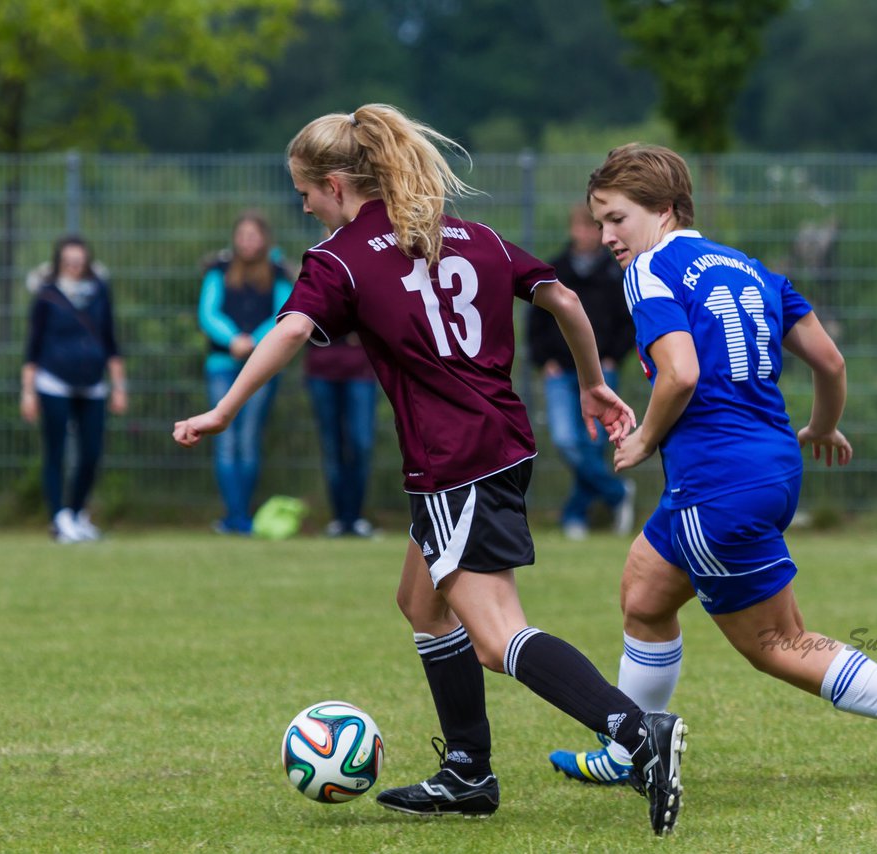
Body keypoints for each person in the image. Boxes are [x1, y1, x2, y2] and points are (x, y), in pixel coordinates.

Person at [172, 105, 686, 835]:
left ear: (336, 182)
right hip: (496, 442)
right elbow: (563, 298)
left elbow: (289, 330)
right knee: (422, 603)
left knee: (498, 635)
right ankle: (468, 773)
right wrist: (592, 380)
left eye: (306, 193)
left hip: (455, 460)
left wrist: (223, 409)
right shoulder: (470, 235)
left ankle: (637, 731)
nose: (306, 207)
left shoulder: (341, 257)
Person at [547, 144, 877, 795]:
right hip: (770, 466)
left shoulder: (649, 270)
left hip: (715, 483)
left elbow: (681, 372)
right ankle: (631, 746)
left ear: (663, 210)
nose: (607, 236)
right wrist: (825, 424)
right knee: (643, 595)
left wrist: (643, 441)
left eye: (617, 218)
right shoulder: (749, 268)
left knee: (777, 643)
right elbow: (830, 363)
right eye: (600, 222)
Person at [527, 203, 637, 540]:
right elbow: (536, 320)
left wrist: (614, 358)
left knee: (591, 446)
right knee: (565, 440)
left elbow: (627, 321)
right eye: (582, 227)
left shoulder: (615, 272)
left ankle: (574, 515)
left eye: (593, 228)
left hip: (602, 371)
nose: (587, 234)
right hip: (561, 371)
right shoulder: (554, 269)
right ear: (572, 229)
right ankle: (618, 493)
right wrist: (544, 358)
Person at [21, 235, 127, 543]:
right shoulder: (47, 296)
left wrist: (119, 385)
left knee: (91, 451)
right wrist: (28, 391)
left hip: (93, 383)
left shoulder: (99, 293)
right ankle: (59, 518)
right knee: (55, 452)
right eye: (68, 262)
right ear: (59, 263)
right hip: (53, 382)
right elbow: (33, 347)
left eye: (79, 261)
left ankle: (78, 512)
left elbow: (110, 341)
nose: (74, 266)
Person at [197, 212, 295, 535]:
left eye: (254, 235)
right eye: (243, 235)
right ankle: (235, 516)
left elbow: (284, 315)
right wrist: (233, 339)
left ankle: (240, 516)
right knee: (225, 441)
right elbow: (208, 313)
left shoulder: (278, 272)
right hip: (222, 366)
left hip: (259, 366)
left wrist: (254, 342)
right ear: (235, 238)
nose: (248, 241)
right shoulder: (218, 270)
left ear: (264, 239)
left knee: (248, 440)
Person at [304, 333, 379, 538]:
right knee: (332, 448)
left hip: (361, 370)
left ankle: (355, 517)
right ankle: (340, 519)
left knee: (361, 445)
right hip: (321, 369)